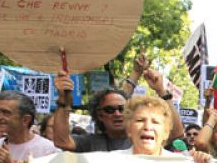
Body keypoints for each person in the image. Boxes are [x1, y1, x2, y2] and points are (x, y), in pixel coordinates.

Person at [51, 56, 184, 152]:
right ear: (100, 114)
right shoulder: (91, 143)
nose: (117, 114)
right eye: (110, 110)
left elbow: (177, 133)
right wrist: (64, 99)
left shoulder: (143, 138)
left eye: (122, 108)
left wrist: (161, 91)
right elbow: (61, 141)